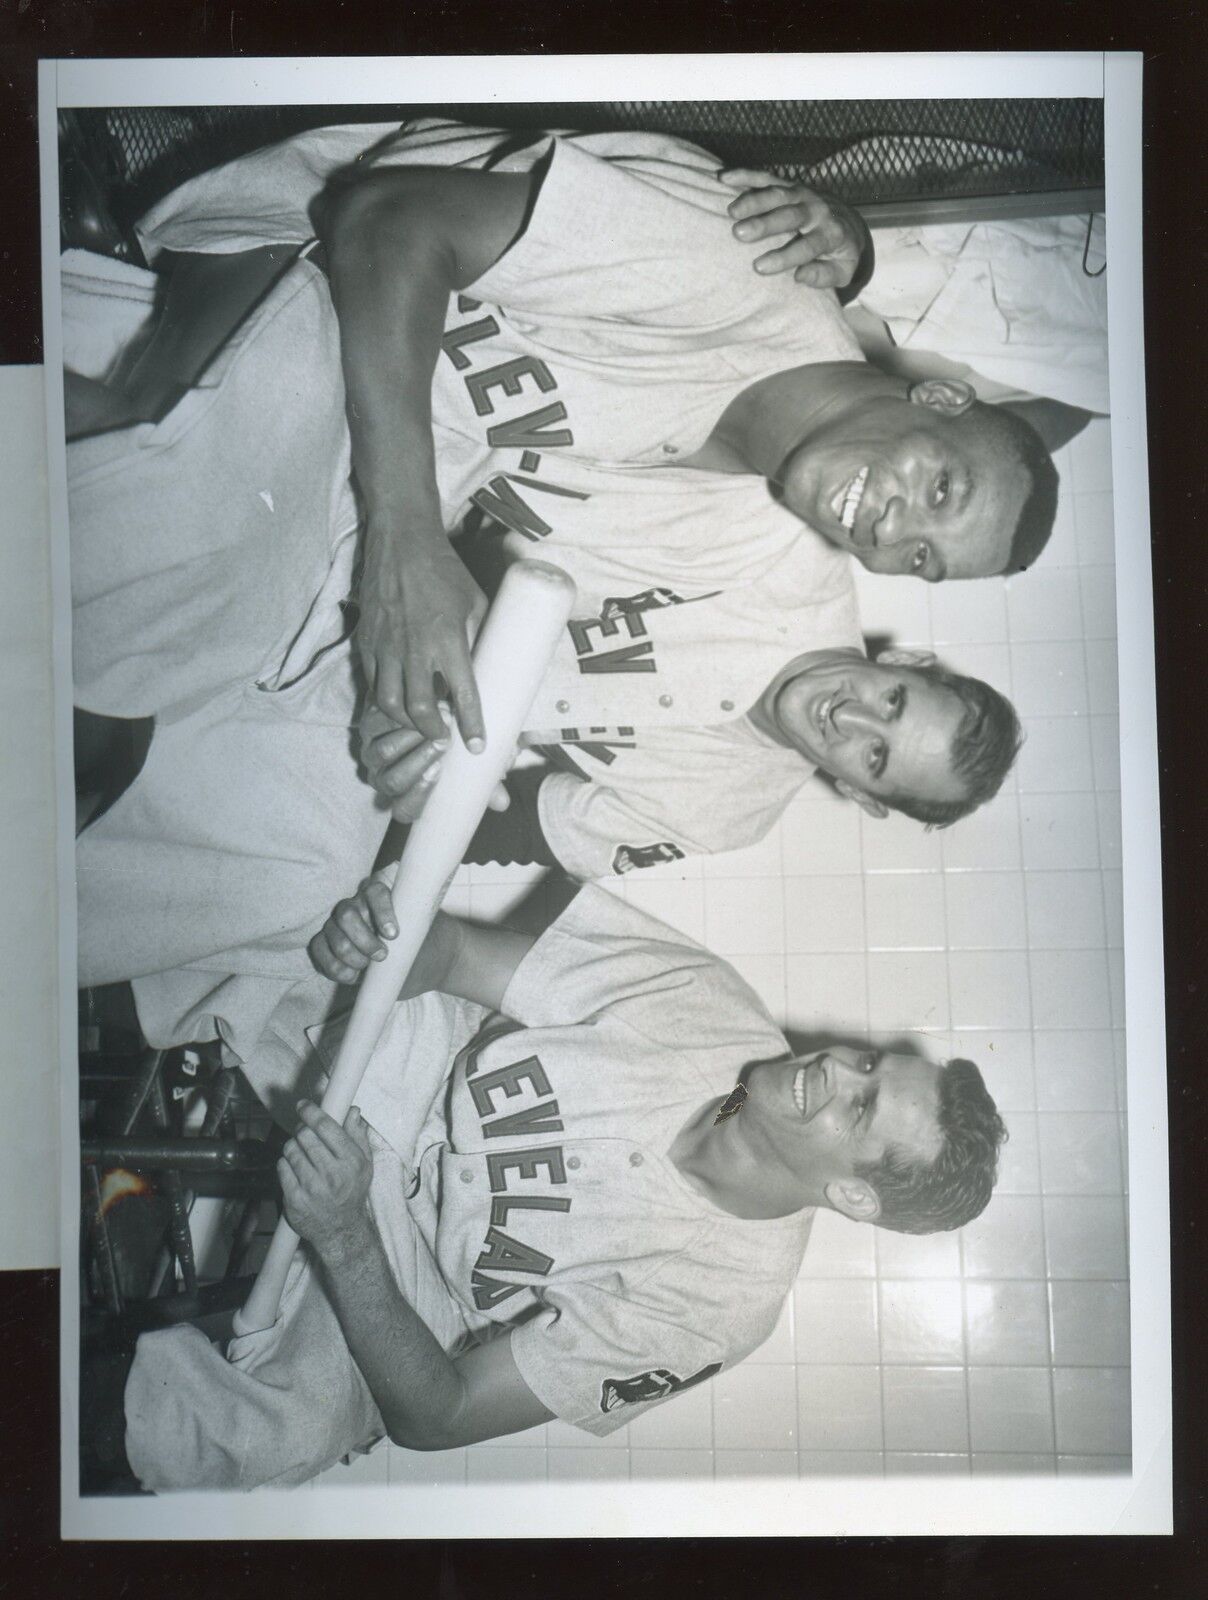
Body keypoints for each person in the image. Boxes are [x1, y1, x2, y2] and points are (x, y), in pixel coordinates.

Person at [70, 117, 1057, 759]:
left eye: (919, 559)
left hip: (342, 441)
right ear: (935, 403)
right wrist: (406, 537)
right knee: (209, 550)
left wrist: (416, 695)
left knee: (194, 678)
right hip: (299, 249)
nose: (890, 535)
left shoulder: (735, 532)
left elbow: (494, 551)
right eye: (938, 492)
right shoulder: (749, 265)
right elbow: (384, 221)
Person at [105, 881, 1006, 1492]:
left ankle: (54, 1413)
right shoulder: (710, 1001)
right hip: (421, 1059)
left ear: (852, 1197)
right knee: (286, 915)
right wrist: (387, 949)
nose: (834, 1071)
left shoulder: (718, 1312)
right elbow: (452, 953)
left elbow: (440, 1413)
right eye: (867, 1063)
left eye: (860, 1109)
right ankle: (62, 987)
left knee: (272, 1438)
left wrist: (347, 1237)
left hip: (414, 1270)